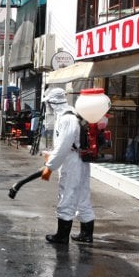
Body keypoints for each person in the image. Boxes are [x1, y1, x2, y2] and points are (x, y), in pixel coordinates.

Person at [41, 87, 95, 244]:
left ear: (53, 103)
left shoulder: (66, 119)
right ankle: (86, 234)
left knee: (67, 195)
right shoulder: (71, 115)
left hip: (72, 162)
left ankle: (62, 236)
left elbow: (64, 146)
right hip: (79, 160)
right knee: (82, 196)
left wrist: (49, 167)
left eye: (49, 104)